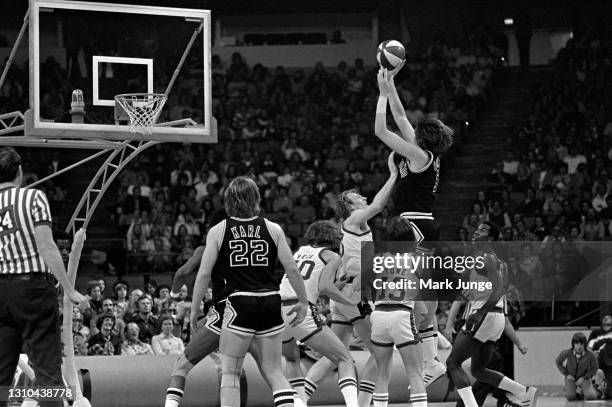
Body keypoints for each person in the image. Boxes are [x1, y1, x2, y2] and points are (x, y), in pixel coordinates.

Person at [190, 176, 308, 407]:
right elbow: (292, 268)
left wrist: (195, 308)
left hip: (239, 302)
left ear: (228, 201)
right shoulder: (273, 228)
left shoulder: (219, 230)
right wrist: (303, 301)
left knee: (231, 372)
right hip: (271, 300)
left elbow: (204, 274)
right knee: (274, 372)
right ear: (256, 198)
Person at [375, 67, 453, 386]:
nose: (411, 130)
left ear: (422, 139)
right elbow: (402, 117)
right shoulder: (423, 154)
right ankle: (432, 359)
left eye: (415, 131)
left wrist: (380, 96)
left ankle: (429, 358)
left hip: (416, 225)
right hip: (422, 223)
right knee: (425, 294)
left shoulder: (420, 155)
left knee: (417, 295)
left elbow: (384, 132)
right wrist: (390, 85)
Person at [304, 152, 397, 406]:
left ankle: (300, 397)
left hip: (346, 296)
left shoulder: (355, 223)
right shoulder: (354, 220)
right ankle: (365, 403)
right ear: (349, 205)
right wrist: (393, 175)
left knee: (337, 355)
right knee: (382, 352)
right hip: (354, 296)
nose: (364, 197)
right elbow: (378, 205)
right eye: (358, 197)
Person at [0, 147, 86, 407]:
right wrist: (70, 290)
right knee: (48, 373)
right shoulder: (33, 197)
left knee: (2, 377)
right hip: (32, 289)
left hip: (1, 291)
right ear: (20, 171)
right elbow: (47, 247)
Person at [444, 222, 537, 407]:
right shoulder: (498, 263)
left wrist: (479, 314)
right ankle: (523, 391)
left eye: (483, 230)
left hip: (484, 316)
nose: (476, 231)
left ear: (491, 239)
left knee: (453, 363)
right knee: (478, 371)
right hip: (497, 318)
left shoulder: (485, 258)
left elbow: (498, 289)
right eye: (477, 228)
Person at [279, 221, 359, 406]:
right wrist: (349, 301)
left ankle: (299, 403)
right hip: (301, 308)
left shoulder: (300, 251)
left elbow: (315, 285)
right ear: (331, 236)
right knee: (344, 358)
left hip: (279, 309)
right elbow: (324, 287)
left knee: (291, 359)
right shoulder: (332, 256)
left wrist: (337, 284)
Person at [369, 217, 427, 407]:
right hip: (401, 313)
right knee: (415, 373)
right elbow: (423, 303)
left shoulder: (379, 258)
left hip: (378, 315)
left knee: (382, 373)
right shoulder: (417, 259)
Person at [555, 332, 598, 401]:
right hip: (571, 377)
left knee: (591, 396)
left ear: (585, 344)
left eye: (581, 344)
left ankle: (596, 389)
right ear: (573, 344)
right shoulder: (567, 352)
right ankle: (573, 391)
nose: (579, 346)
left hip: (584, 377)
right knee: (570, 397)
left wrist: (585, 377)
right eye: (576, 344)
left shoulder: (590, 354)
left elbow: (594, 368)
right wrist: (567, 374)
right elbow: (558, 361)